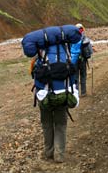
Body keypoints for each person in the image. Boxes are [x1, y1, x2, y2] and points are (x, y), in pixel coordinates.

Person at [30, 31, 80, 163]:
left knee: (47, 125)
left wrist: (40, 92)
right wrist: (73, 91)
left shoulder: (40, 55)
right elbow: (72, 77)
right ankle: (60, 155)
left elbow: (35, 77)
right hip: (63, 95)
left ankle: (48, 153)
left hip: (45, 96)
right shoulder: (65, 53)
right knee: (61, 125)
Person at [74, 23, 93, 96]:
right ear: (82, 29)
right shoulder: (84, 37)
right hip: (83, 60)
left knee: (75, 76)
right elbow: (89, 49)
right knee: (83, 75)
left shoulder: (72, 38)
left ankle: (75, 93)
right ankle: (83, 92)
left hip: (74, 60)